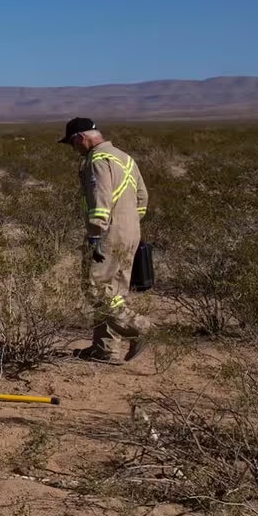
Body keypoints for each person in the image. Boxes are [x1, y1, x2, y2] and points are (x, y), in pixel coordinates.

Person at [59, 117, 151, 364]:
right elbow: (142, 197)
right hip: (131, 231)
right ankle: (105, 348)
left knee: (96, 287)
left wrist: (95, 236)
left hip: (107, 232)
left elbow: (100, 201)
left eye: (72, 144)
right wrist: (129, 223)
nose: (74, 150)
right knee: (115, 290)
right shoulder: (125, 158)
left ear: (80, 138)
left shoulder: (97, 161)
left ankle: (139, 326)